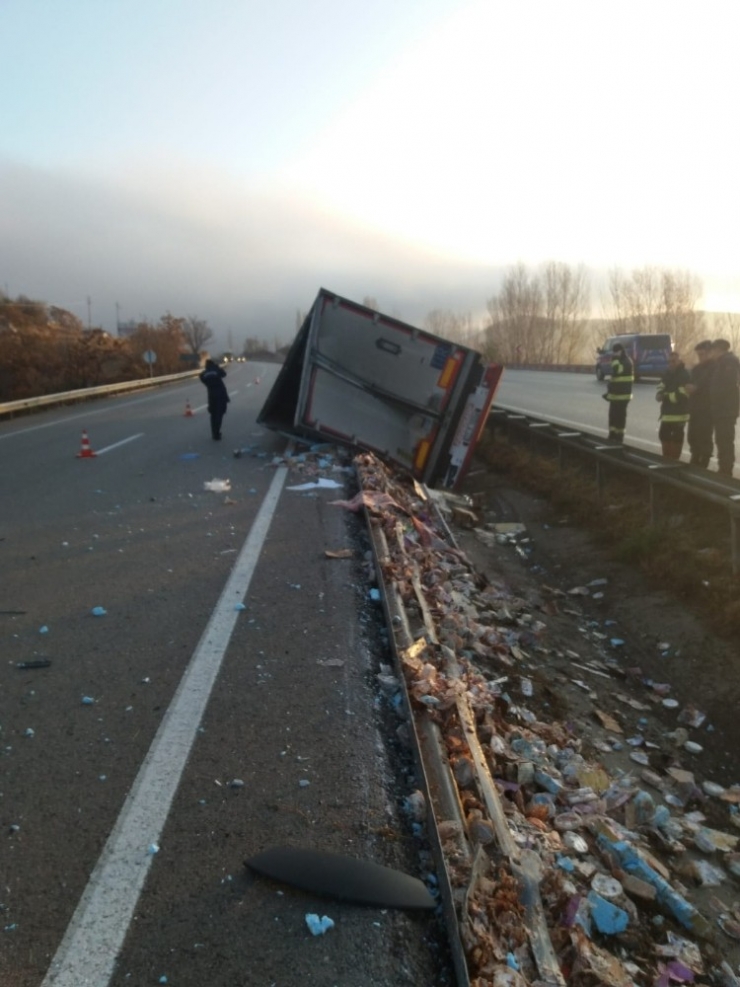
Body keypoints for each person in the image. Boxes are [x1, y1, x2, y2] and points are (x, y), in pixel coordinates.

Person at [709, 338, 740, 477]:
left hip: (726, 409)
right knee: (722, 440)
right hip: (721, 409)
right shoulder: (721, 362)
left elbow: (727, 385)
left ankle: (726, 471)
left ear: (719, 349)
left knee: (725, 440)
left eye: (713, 350)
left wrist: (715, 397)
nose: (712, 353)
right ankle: (724, 468)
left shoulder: (729, 362)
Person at [655, 351, 690, 460]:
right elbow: (661, 385)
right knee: (663, 435)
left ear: (679, 361)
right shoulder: (667, 373)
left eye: (673, 361)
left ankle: (674, 459)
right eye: (669, 361)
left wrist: (664, 396)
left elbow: (682, 395)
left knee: (676, 438)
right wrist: (659, 393)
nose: (671, 364)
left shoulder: (684, 374)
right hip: (666, 412)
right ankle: (666, 458)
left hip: (679, 414)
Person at [685, 340, 714, 467]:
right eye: (698, 355)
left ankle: (704, 461)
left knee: (705, 436)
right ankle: (695, 457)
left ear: (709, 353)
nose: (700, 357)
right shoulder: (696, 369)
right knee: (693, 435)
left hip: (707, 408)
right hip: (695, 407)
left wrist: (697, 388)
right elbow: (690, 382)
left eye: (702, 354)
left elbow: (711, 385)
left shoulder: (715, 367)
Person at [603, 343, 634, 443]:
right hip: (615, 395)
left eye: (616, 352)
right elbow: (615, 378)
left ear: (621, 351)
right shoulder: (621, 360)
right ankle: (612, 435)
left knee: (620, 417)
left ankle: (619, 437)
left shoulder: (626, 362)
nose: (614, 354)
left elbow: (617, 371)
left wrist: (615, 359)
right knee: (612, 416)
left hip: (622, 396)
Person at [199, 358, 230, 440]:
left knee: (213, 414)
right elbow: (224, 374)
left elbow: (202, 378)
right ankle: (217, 433)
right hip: (221, 395)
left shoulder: (204, 374)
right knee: (219, 414)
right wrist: (218, 367)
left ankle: (214, 433)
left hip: (211, 396)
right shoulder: (216, 370)